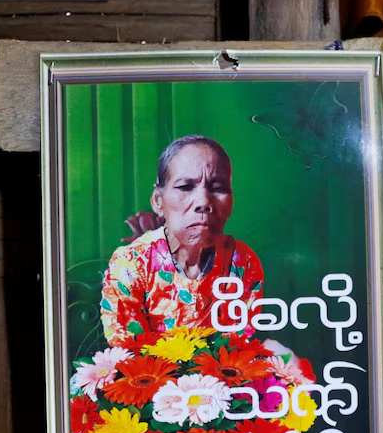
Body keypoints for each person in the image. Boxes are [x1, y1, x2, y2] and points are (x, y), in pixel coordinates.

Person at [100, 135, 264, 346]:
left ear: (231, 201)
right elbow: (127, 354)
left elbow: (238, 347)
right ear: (158, 201)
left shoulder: (242, 261)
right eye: (185, 187)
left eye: (218, 188)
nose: (204, 201)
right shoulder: (131, 264)